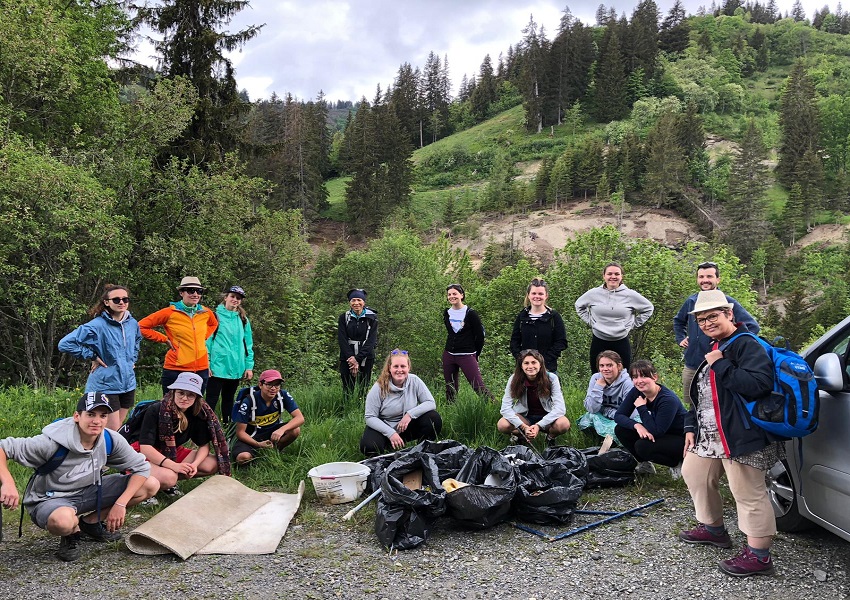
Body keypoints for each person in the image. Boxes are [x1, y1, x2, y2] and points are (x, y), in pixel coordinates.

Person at [678, 289, 781, 578]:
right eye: (701, 319)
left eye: (713, 316)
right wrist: (690, 426)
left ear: (729, 314)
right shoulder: (717, 345)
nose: (707, 323)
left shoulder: (747, 344)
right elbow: (702, 395)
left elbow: (758, 384)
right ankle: (714, 530)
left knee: (748, 493)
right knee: (695, 473)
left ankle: (759, 557)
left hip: (740, 435)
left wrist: (720, 363)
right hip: (710, 434)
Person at [0, 392, 158, 562]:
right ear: (77, 416)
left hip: (89, 490)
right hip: (51, 498)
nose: (96, 421)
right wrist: (8, 483)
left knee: (150, 484)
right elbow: (3, 447)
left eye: (103, 415)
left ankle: (90, 523)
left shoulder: (110, 439)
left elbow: (141, 467)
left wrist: (121, 504)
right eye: (90, 414)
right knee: (63, 521)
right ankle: (72, 532)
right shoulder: (52, 442)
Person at [124, 372, 231, 494]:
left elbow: (204, 445)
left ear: (197, 397)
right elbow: (145, 447)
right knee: (170, 477)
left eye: (190, 395)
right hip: (141, 452)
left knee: (212, 463)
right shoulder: (156, 409)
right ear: (174, 392)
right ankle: (142, 482)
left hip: (171, 451)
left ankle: (161, 482)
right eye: (181, 393)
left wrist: (194, 465)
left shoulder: (198, 413)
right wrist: (174, 466)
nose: (184, 398)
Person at [673, 261, 760, 406]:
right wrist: (680, 338)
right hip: (692, 365)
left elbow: (752, 327)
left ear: (717, 279)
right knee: (692, 406)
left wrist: (727, 345)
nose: (705, 280)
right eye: (701, 277)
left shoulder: (727, 302)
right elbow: (678, 321)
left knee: (718, 406)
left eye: (709, 276)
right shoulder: (691, 301)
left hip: (718, 366)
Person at [58, 284, 142, 431]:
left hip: (128, 383)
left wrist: (132, 359)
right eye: (116, 299)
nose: (121, 302)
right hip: (106, 384)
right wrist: (92, 356)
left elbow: (137, 340)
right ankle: (97, 453)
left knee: (116, 431)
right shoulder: (97, 325)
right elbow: (65, 344)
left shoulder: (132, 323)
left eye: (125, 299)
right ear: (106, 302)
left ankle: (106, 453)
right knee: (111, 431)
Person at [139, 276, 218, 395]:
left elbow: (214, 324)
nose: (195, 294)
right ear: (181, 292)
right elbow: (140, 326)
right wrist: (164, 339)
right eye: (191, 290)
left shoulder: (206, 312)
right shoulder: (169, 312)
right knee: (170, 407)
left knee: (195, 408)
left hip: (201, 368)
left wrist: (203, 337)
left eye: (199, 291)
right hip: (176, 369)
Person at [613, 360, 692, 477]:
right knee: (621, 430)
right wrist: (637, 425)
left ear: (655, 377)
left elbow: (657, 431)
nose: (639, 381)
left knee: (642, 446)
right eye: (635, 377)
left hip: (680, 439)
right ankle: (645, 465)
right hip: (660, 432)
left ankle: (676, 462)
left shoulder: (667, 399)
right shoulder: (636, 391)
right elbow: (618, 416)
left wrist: (641, 408)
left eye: (644, 376)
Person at [360, 349, 442, 456]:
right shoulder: (379, 387)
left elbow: (430, 403)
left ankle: (423, 450)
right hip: (385, 427)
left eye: (403, 366)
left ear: (408, 367)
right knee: (368, 447)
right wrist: (390, 433)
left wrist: (409, 414)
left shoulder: (415, 381)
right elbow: (370, 417)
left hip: (406, 426)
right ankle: (388, 446)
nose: (399, 370)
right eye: (396, 366)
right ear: (389, 368)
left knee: (433, 418)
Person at [575, 262, 654, 373]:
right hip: (599, 340)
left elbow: (648, 308)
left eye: (617, 274)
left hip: (621, 341)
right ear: (604, 276)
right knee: (598, 375)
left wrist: (632, 325)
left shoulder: (630, 295)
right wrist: (591, 322)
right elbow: (579, 306)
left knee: (624, 376)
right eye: (609, 274)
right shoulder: (593, 293)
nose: (613, 277)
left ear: (621, 276)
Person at [497, 349, 571, 448]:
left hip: (547, 416)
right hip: (525, 418)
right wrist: (522, 426)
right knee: (502, 424)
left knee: (563, 423)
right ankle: (521, 436)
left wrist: (538, 425)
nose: (530, 366)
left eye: (534, 362)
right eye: (526, 363)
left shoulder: (552, 378)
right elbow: (505, 408)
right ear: (521, 366)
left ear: (540, 364)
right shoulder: (514, 379)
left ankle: (550, 438)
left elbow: (560, 408)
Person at [231, 369, 304, 465]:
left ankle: (274, 451)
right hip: (250, 435)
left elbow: (300, 418)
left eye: (277, 385)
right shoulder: (249, 400)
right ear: (260, 385)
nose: (273, 388)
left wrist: (281, 430)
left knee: (295, 430)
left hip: (271, 432)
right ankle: (257, 456)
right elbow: (240, 432)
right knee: (243, 458)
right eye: (269, 384)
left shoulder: (283, 395)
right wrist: (258, 444)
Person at [206, 285, 255, 423]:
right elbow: (207, 342)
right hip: (217, 367)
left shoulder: (243, 319)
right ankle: (205, 429)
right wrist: (207, 363)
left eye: (238, 298)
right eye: (232, 296)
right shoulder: (214, 316)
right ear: (225, 297)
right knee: (211, 400)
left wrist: (249, 366)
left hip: (236, 367)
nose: (235, 300)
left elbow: (248, 344)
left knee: (229, 399)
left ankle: (226, 429)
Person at [442, 283, 494, 402]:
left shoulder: (470, 313)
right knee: (450, 388)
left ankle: (496, 408)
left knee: (478, 386)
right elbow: (451, 334)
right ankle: (451, 413)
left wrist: (476, 354)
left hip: (467, 355)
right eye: (449, 294)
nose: (451, 296)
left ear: (461, 295)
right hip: (449, 355)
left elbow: (480, 336)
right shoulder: (447, 313)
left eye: (454, 294)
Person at [577, 350, 634, 450]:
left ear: (619, 366)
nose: (605, 369)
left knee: (623, 426)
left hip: (622, 417)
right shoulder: (595, 378)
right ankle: (598, 442)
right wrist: (598, 387)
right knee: (587, 419)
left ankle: (619, 446)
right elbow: (591, 408)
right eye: (602, 366)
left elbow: (628, 413)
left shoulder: (628, 383)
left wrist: (607, 412)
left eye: (609, 365)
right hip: (605, 415)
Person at [510, 278, 568, 374]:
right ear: (528, 295)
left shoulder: (554, 317)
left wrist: (544, 360)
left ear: (546, 296)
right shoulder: (522, 316)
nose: (537, 296)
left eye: (540, 294)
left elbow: (561, 342)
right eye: (534, 293)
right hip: (525, 370)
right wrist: (521, 358)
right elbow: (514, 341)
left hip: (548, 369)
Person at [338, 289, 378, 402]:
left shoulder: (372, 318)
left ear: (364, 302)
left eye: (359, 300)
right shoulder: (344, 317)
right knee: (347, 386)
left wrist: (357, 358)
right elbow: (342, 339)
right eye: (353, 300)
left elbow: (371, 340)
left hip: (366, 357)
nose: (356, 303)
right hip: (347, 357)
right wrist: (351, 358)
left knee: (363, 386)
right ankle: (347, 409)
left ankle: (363, 410)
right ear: (349, 302)